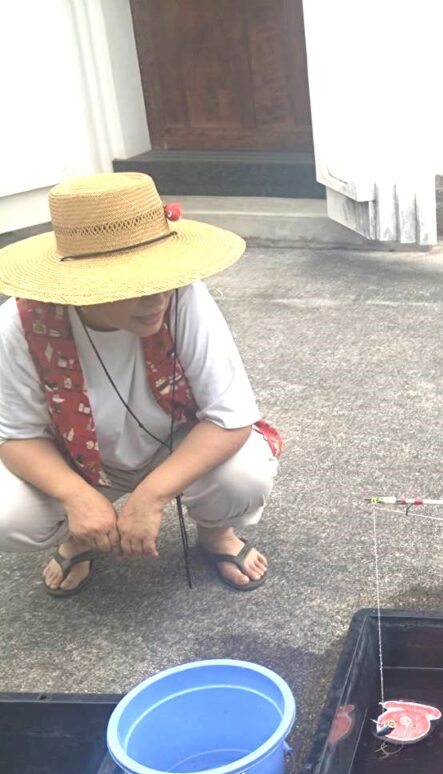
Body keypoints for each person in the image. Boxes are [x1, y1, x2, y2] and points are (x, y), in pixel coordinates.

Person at [0, 173, 281, 595]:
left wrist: (151, 496)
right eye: (132, 284)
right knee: (10, 515)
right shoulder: (21, 324)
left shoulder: (184, 297)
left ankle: (215, 531)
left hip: (174, 445)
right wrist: (74, 494)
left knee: (245, 475)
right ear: (77, 285)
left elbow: (232, 417)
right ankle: (81, 532)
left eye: (161, 277)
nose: (156, 298)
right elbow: (16, 435)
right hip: (76, 458)